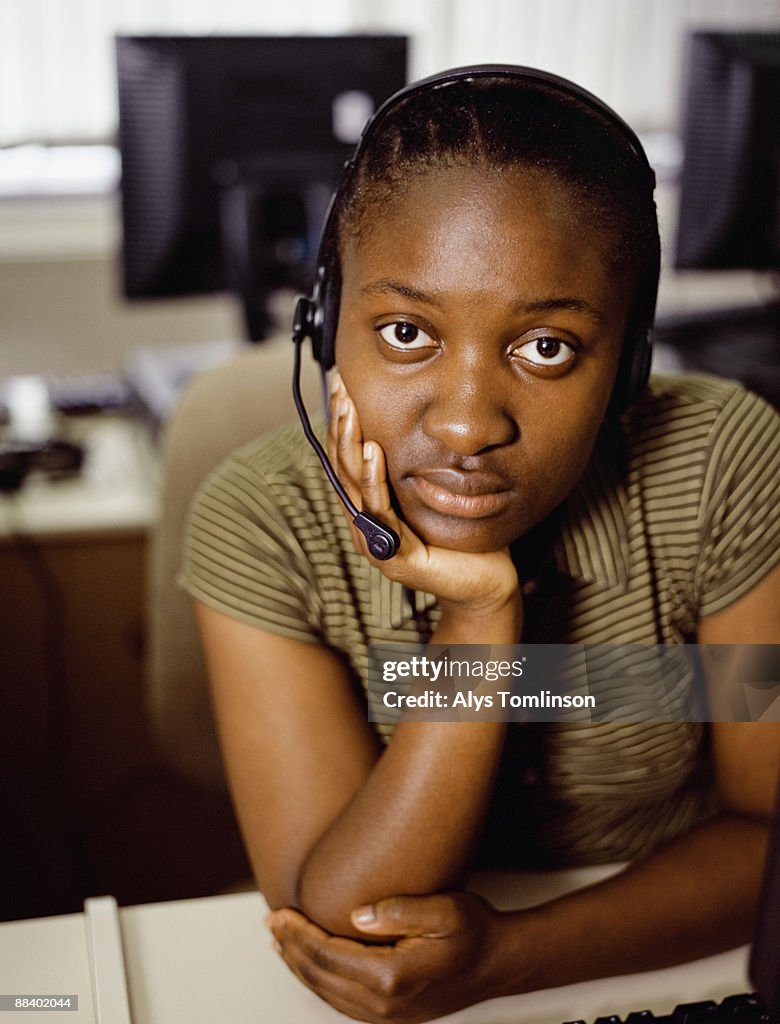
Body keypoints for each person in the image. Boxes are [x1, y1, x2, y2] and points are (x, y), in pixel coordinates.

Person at [181, 67, 780, 1023]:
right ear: (330, 330)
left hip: (662, 967)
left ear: (626, 362)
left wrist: (510, 957)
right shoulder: (261, 520)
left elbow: (769, 831)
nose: (466, 427)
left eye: (546, 347)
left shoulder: (721, 466)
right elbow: (352, 924)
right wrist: (478, 619)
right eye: (408, 331)